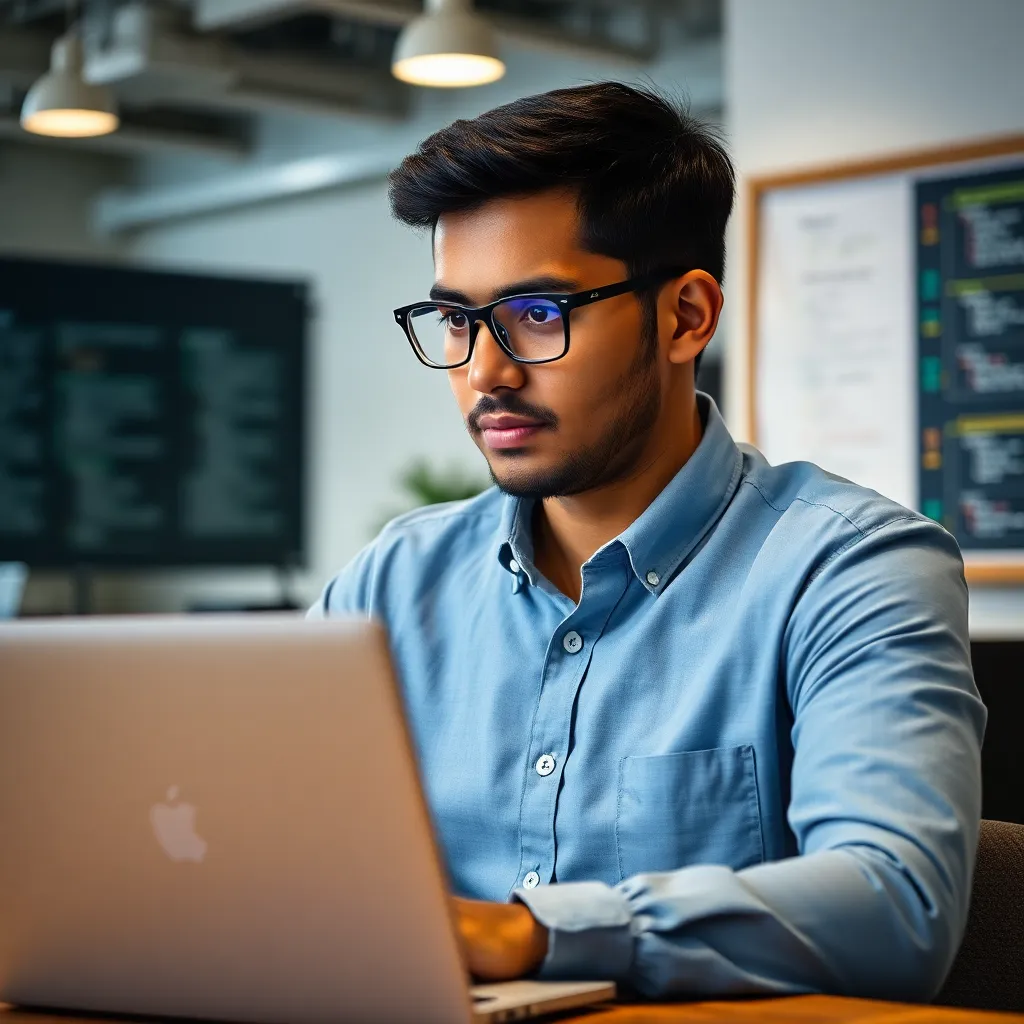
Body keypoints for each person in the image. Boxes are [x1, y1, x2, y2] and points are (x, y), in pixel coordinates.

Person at [310, 82, 985, 1001]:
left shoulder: (851, 568)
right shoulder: (391, 581)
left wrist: (530, 936)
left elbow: (895, 905)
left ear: (686, 317)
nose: (485, 371)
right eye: (459, 321)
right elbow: (261, 844)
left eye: (538, 315)